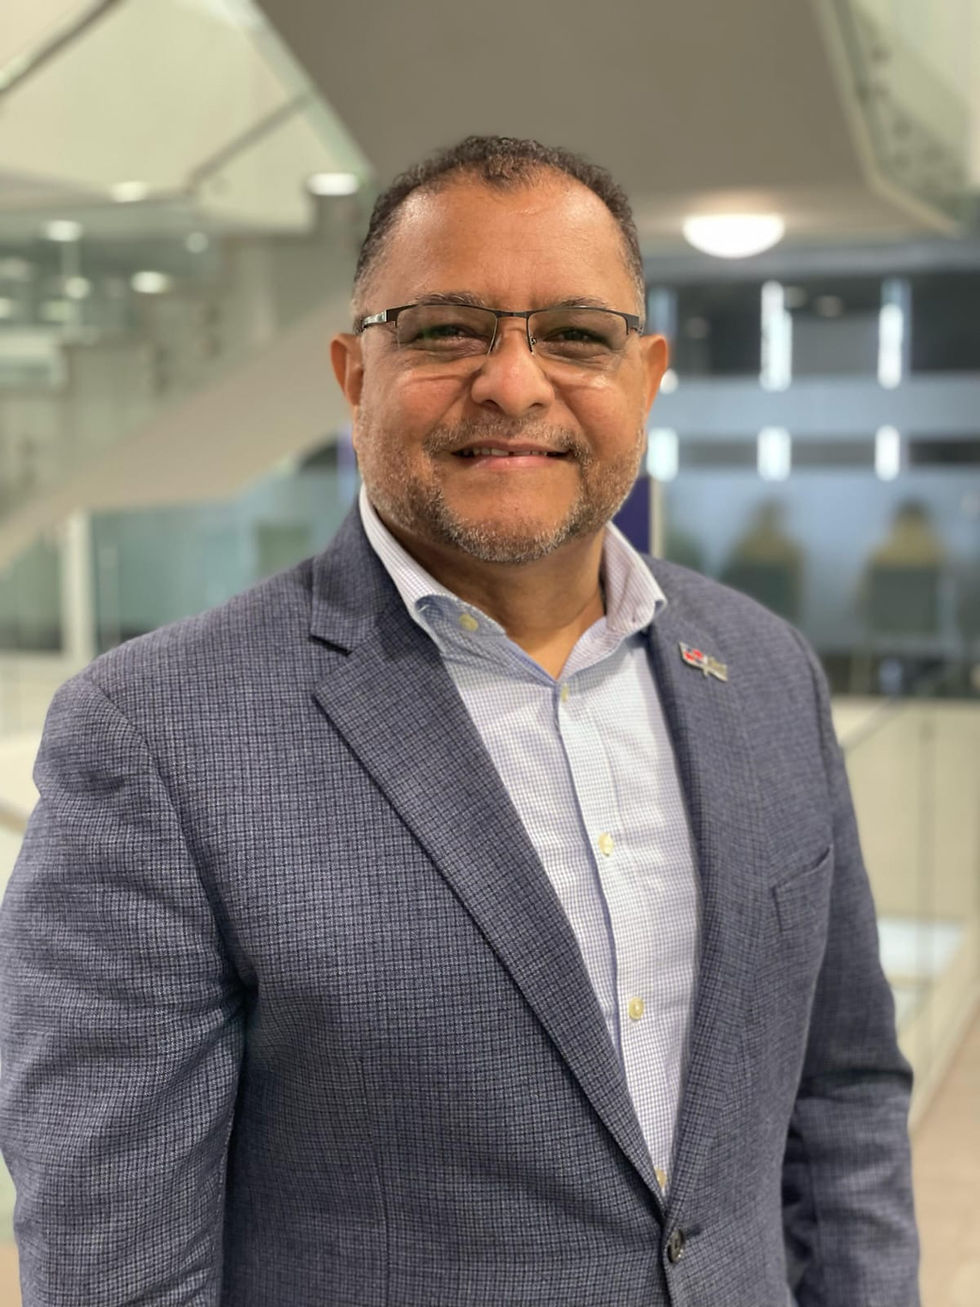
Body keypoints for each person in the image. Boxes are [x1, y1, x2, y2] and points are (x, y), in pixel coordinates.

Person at [0, 136, 918, 1306]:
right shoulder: (157, 737)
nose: (514, 384)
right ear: (353, 374)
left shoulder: (764, 670)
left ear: (645, 376)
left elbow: (841, 1097)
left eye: (575, 334)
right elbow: (116, 1271)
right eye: (445, 330)